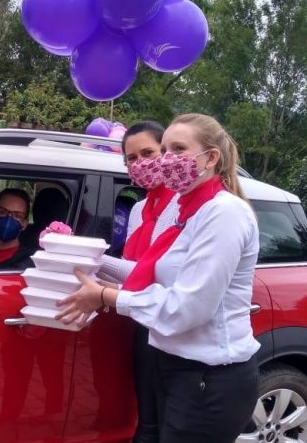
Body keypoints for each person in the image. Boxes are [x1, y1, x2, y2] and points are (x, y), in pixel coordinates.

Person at [57, 113, 260, 443]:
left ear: (211, 157)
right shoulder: (188, 210)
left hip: (208, 376)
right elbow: (150, 275)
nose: (168, 159)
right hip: (177, 366)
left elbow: (189, 307)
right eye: (164, 149)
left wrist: (108, 296)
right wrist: (79, 254)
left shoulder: (223, 213)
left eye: (178, 148)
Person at [97, 120, 180, 443]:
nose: (140, 163)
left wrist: (99, 273)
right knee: (146, 415)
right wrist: (83, 257)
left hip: (173, 322)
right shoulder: (140, 209)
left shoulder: (183, 205)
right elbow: (135, 269)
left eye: (148, 153)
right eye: (132, 159)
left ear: (167, 152)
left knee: (169, 419)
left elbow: (160, 272)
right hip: (141, 318)